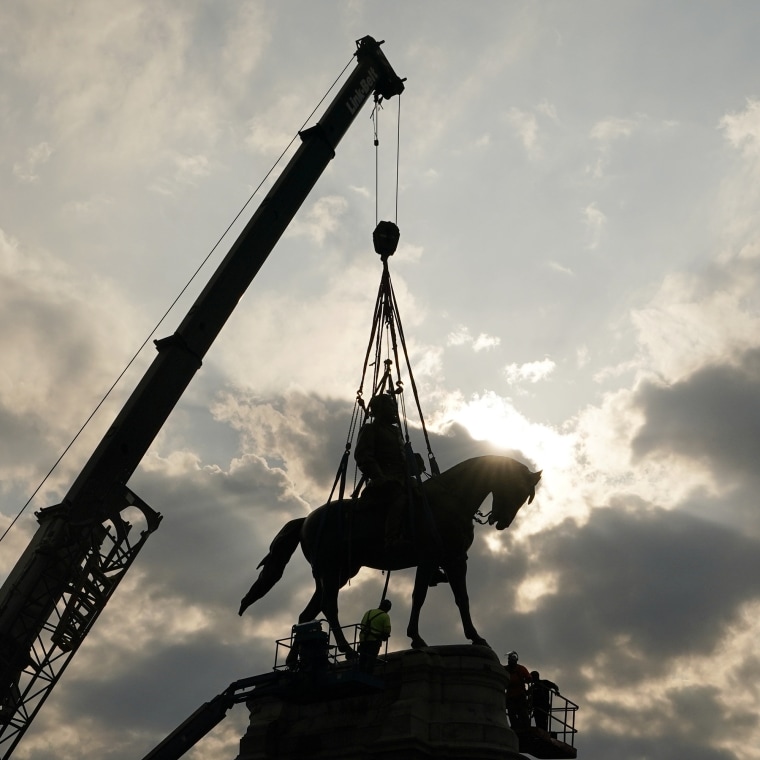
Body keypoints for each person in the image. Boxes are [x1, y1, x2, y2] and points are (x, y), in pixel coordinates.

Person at [354, 394, 409, 547]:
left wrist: (412, 461)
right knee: (399, 499)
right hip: (384, 481)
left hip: (402, 479)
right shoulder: (370, 429)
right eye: (390, 407)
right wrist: (379, 476)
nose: (394, 410)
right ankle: (391, 540)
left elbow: (400, 457)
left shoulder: (395, 432)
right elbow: (363, 455)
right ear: (380, 410)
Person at [358, 599, 392, 672]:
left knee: (362, 659)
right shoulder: (385, 616)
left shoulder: (369, 612)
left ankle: (360, 672)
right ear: (388, 608)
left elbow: (362, 624)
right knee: (371, 660)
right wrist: (385, 636)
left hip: (363, 640)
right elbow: (387, 630)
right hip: (374, 641)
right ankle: (368, 675)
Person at [504, 650, 531, 730]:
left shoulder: (521, 669)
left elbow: (529, 679)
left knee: (522, 712)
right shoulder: (506, 669)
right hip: (511, 696)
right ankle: (516, 726)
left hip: (519, 695)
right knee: (512, 713)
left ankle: (524, 727)